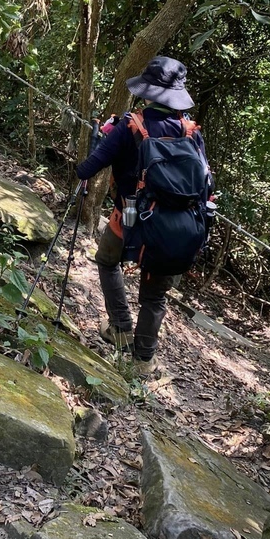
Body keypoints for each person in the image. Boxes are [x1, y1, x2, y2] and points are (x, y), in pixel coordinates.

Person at [76, 56, 210, 377]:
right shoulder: (191, 131)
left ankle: (120, 326)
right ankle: (142, 363)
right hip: (177, 228)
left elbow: (88, 169)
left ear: (148, 91)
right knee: (154, 296)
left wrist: (98, 143)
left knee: (108, 260)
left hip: (131, 218)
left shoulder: (130, 126)